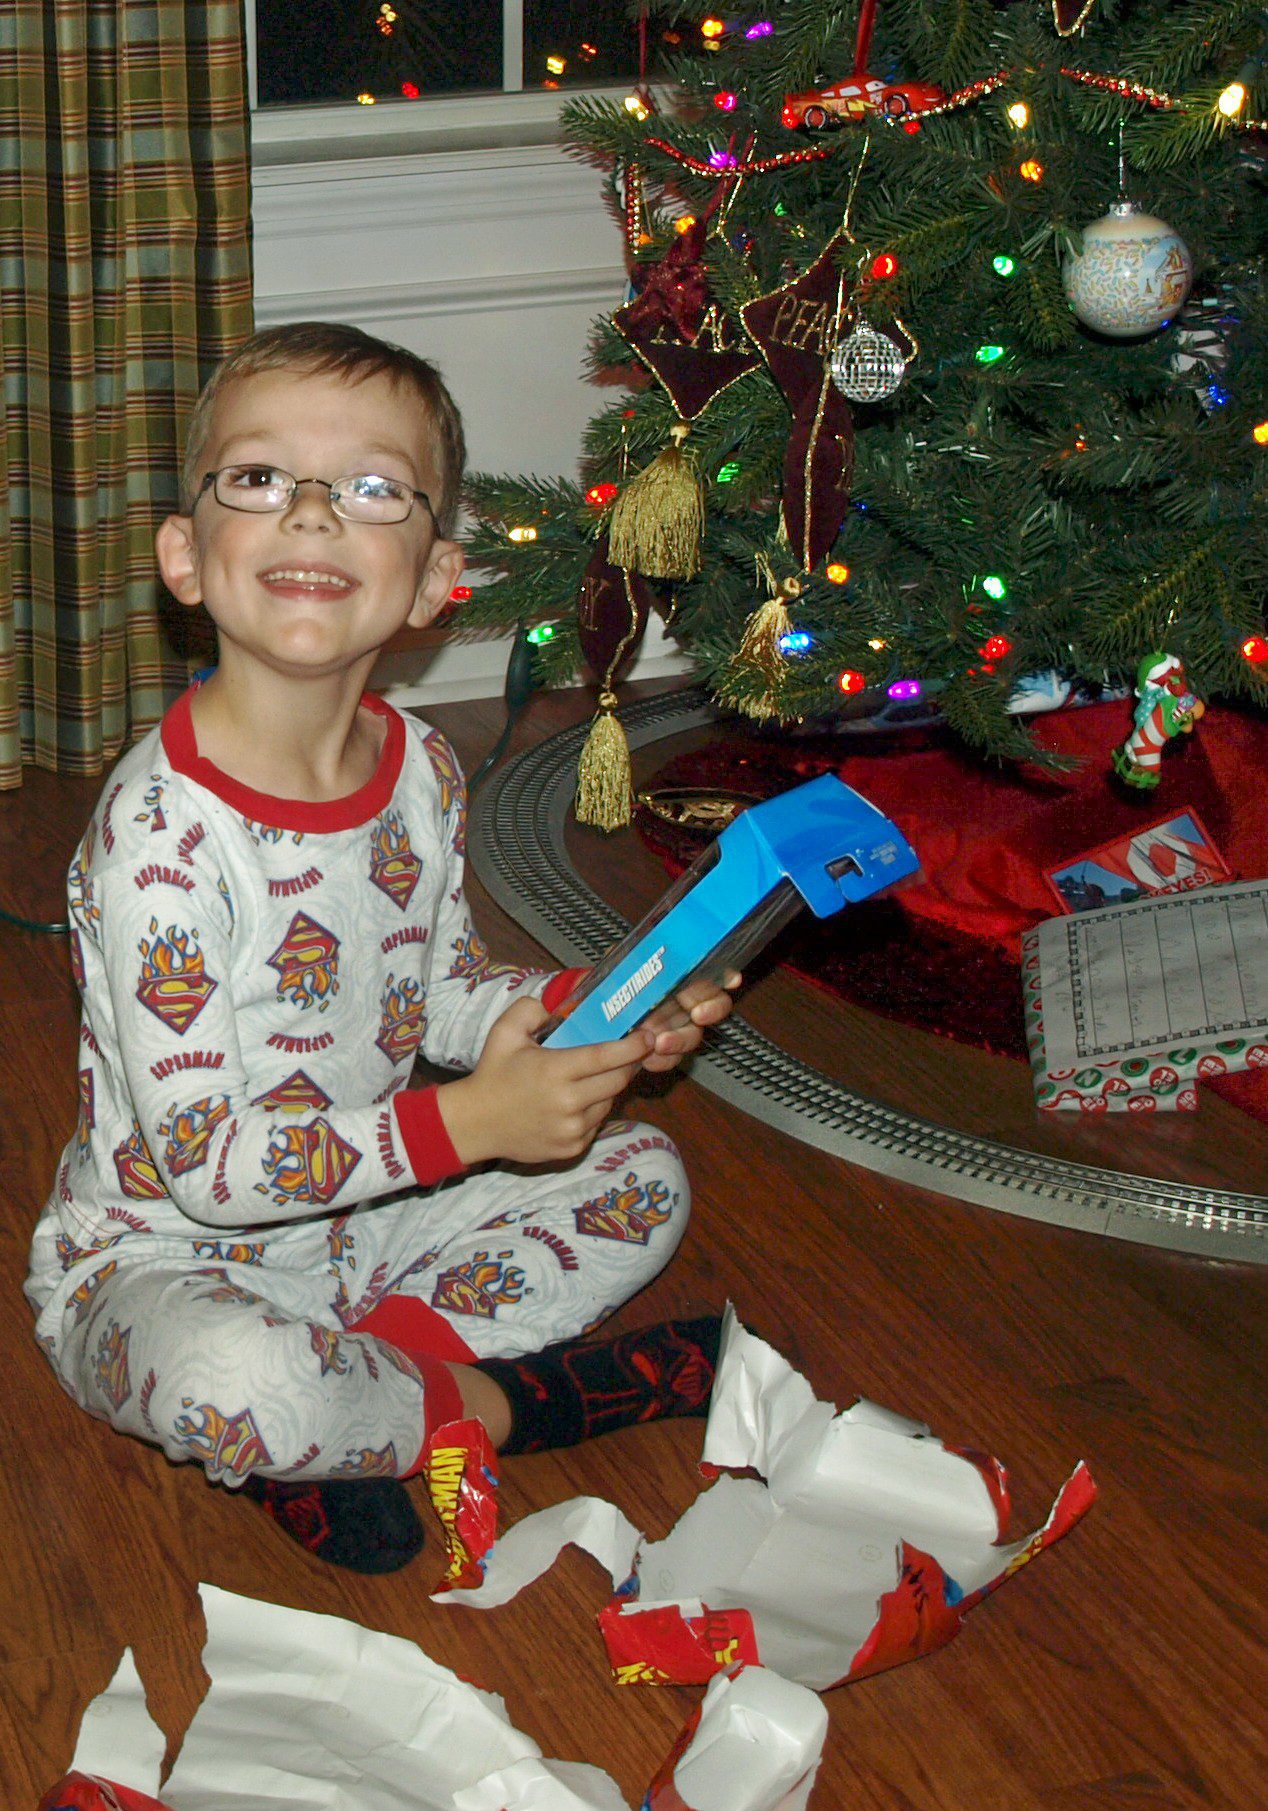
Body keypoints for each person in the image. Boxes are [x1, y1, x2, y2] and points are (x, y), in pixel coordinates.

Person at [26, 322, 737, 1573]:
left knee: (641, 1174)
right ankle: (518, 1405)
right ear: (184, 556)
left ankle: (353, 1410)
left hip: (368, 1217)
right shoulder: (158, 836)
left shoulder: (420, 765)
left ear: (431, 580)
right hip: (160, 1258)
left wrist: (591, 1006)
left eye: (369, 487)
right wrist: (472, 1124)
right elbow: (209, 1167)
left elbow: (440, 989)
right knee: (228, 1379)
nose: (310, 512)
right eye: (259, 477)